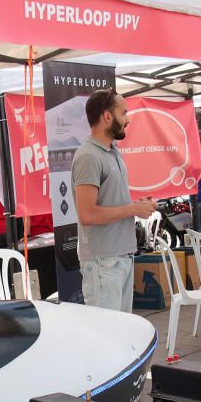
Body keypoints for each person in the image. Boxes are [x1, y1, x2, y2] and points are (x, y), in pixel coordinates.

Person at [72, 88, 157, 312]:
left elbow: (109, 203)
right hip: (104, 261)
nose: (128, 120)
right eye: (124, 113)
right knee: (107, 338)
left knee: (118, 335)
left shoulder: (112, 151)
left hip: (119, 257)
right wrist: (133, 209)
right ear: (107, 116)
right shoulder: (89, 156)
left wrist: (137, 206)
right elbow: (87, 214)